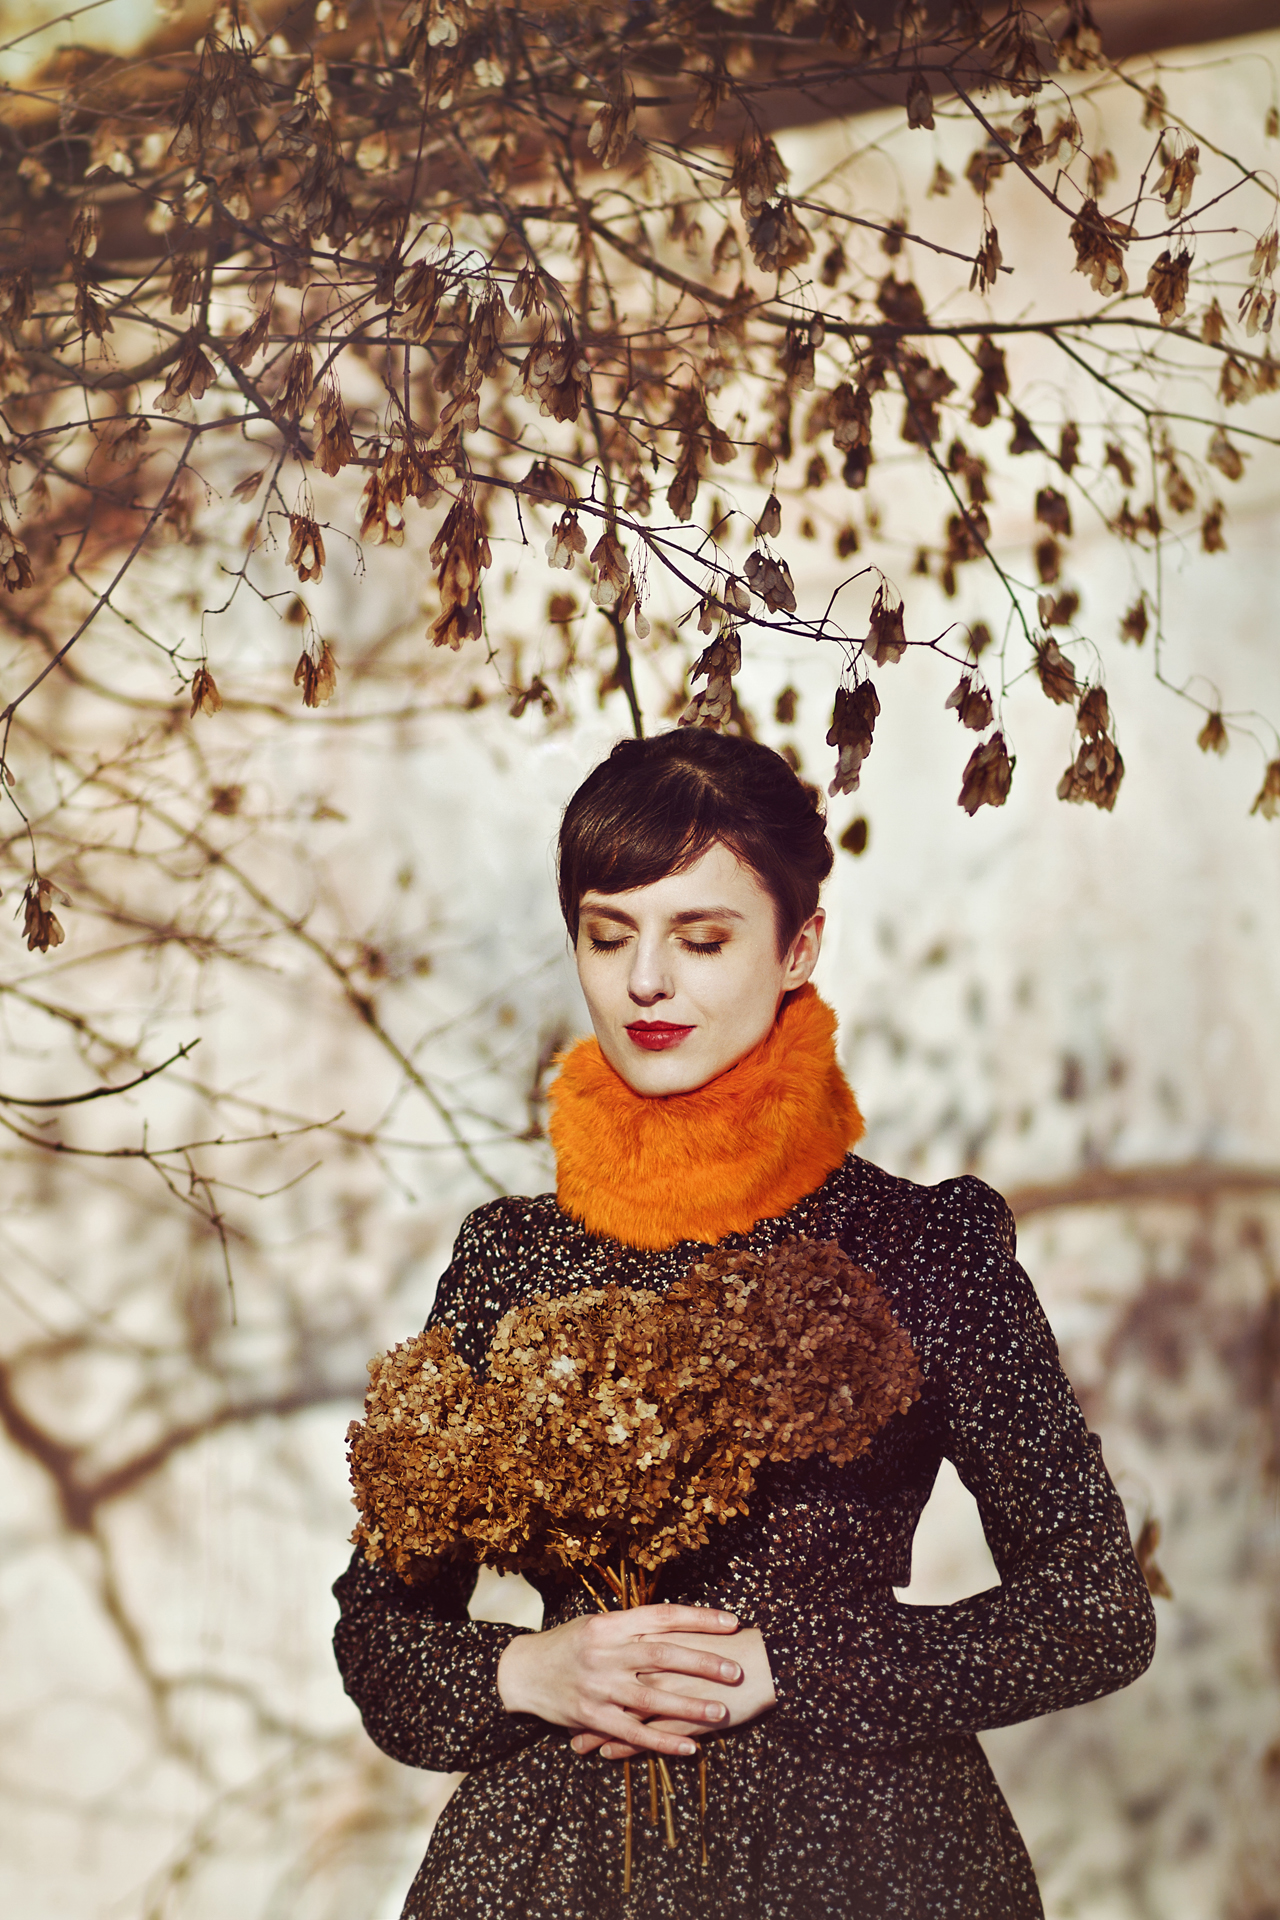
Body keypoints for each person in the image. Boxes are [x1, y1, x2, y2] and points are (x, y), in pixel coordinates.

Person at [333, 727, 1156, 1919]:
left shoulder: (921, 1248)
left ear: (795, 948)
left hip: (869, 1862)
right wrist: (525, 1669)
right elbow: (381, 1635)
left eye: (700, 939)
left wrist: (801, 1661)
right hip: (554, 1868)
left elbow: (1091, 1610)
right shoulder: (512, 1258)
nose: (645, 982)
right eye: (607, 936)